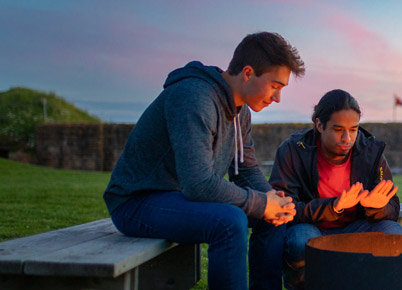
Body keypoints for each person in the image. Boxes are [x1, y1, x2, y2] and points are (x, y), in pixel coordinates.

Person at [103, 32, 303, 290]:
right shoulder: (194, 97)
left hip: (180, 199)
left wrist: (272, 202)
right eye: (275, 86)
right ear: (248, 72)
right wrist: (261, 202)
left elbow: (246, 169)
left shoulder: (240, 111)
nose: (277, 98)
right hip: (136, 202)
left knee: (275, 215)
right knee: (230, 222)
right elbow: (198, 183)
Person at [269, 89, 402, 290]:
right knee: (300, 241)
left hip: (356, 228)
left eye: (353, 129)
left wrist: (377, 208)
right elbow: (284, 207)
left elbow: (393, 207)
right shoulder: (293, 150)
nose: (347, 138)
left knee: (393, 232)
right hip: (311, 228)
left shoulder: (370, 152)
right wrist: (333, 207)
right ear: (319, 125)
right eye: (338, 129)